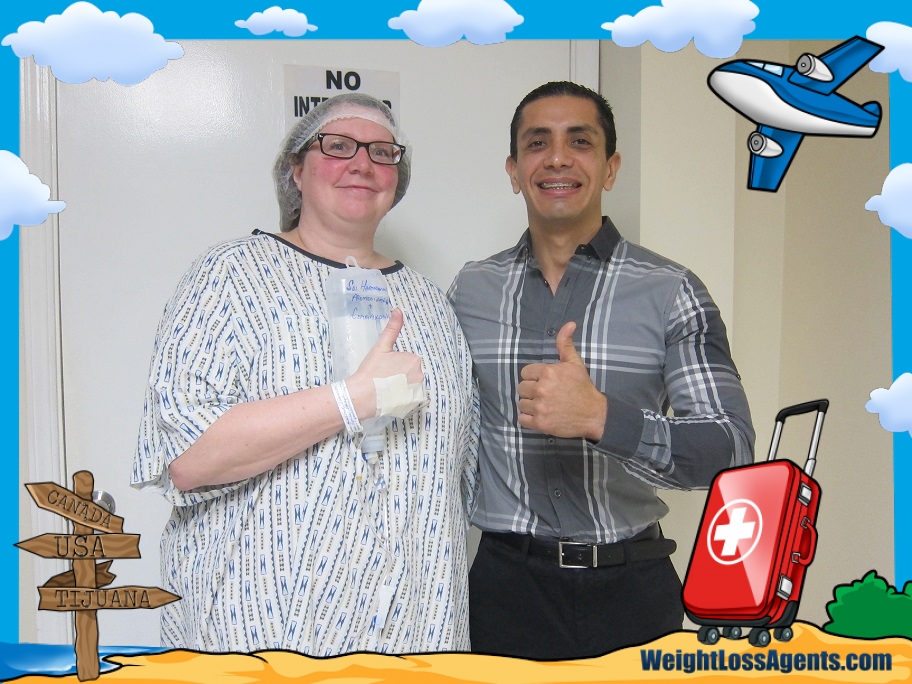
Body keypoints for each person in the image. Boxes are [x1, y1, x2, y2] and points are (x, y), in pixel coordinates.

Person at [132, 93, 478, 656]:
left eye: (382, 152)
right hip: (260, 637)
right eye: (338, 146)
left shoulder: (432, 306)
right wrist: (351, 399)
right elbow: (188, 459)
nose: (362, 163)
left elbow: (457, 480)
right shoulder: (231, 276)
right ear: (296, 170)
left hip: (416, 637)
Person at [448, 81, 755, 660]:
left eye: (580, 141)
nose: (557, 158)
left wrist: (602, 419)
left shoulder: (671, 290)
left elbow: (731, 450)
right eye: (537, 143)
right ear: (514, 171)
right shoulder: (470, 290)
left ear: (610, 168)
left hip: (632, 589)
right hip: (504, 590)